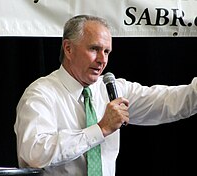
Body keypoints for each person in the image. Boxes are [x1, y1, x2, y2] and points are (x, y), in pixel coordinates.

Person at [14, 14, 197, 176]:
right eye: (94, 49)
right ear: (68, 49)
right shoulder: (41, 94)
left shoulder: (112, 89)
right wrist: (100, 129)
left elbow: (172, 102)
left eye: (107, 51)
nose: (102, 60)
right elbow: (35, 153)